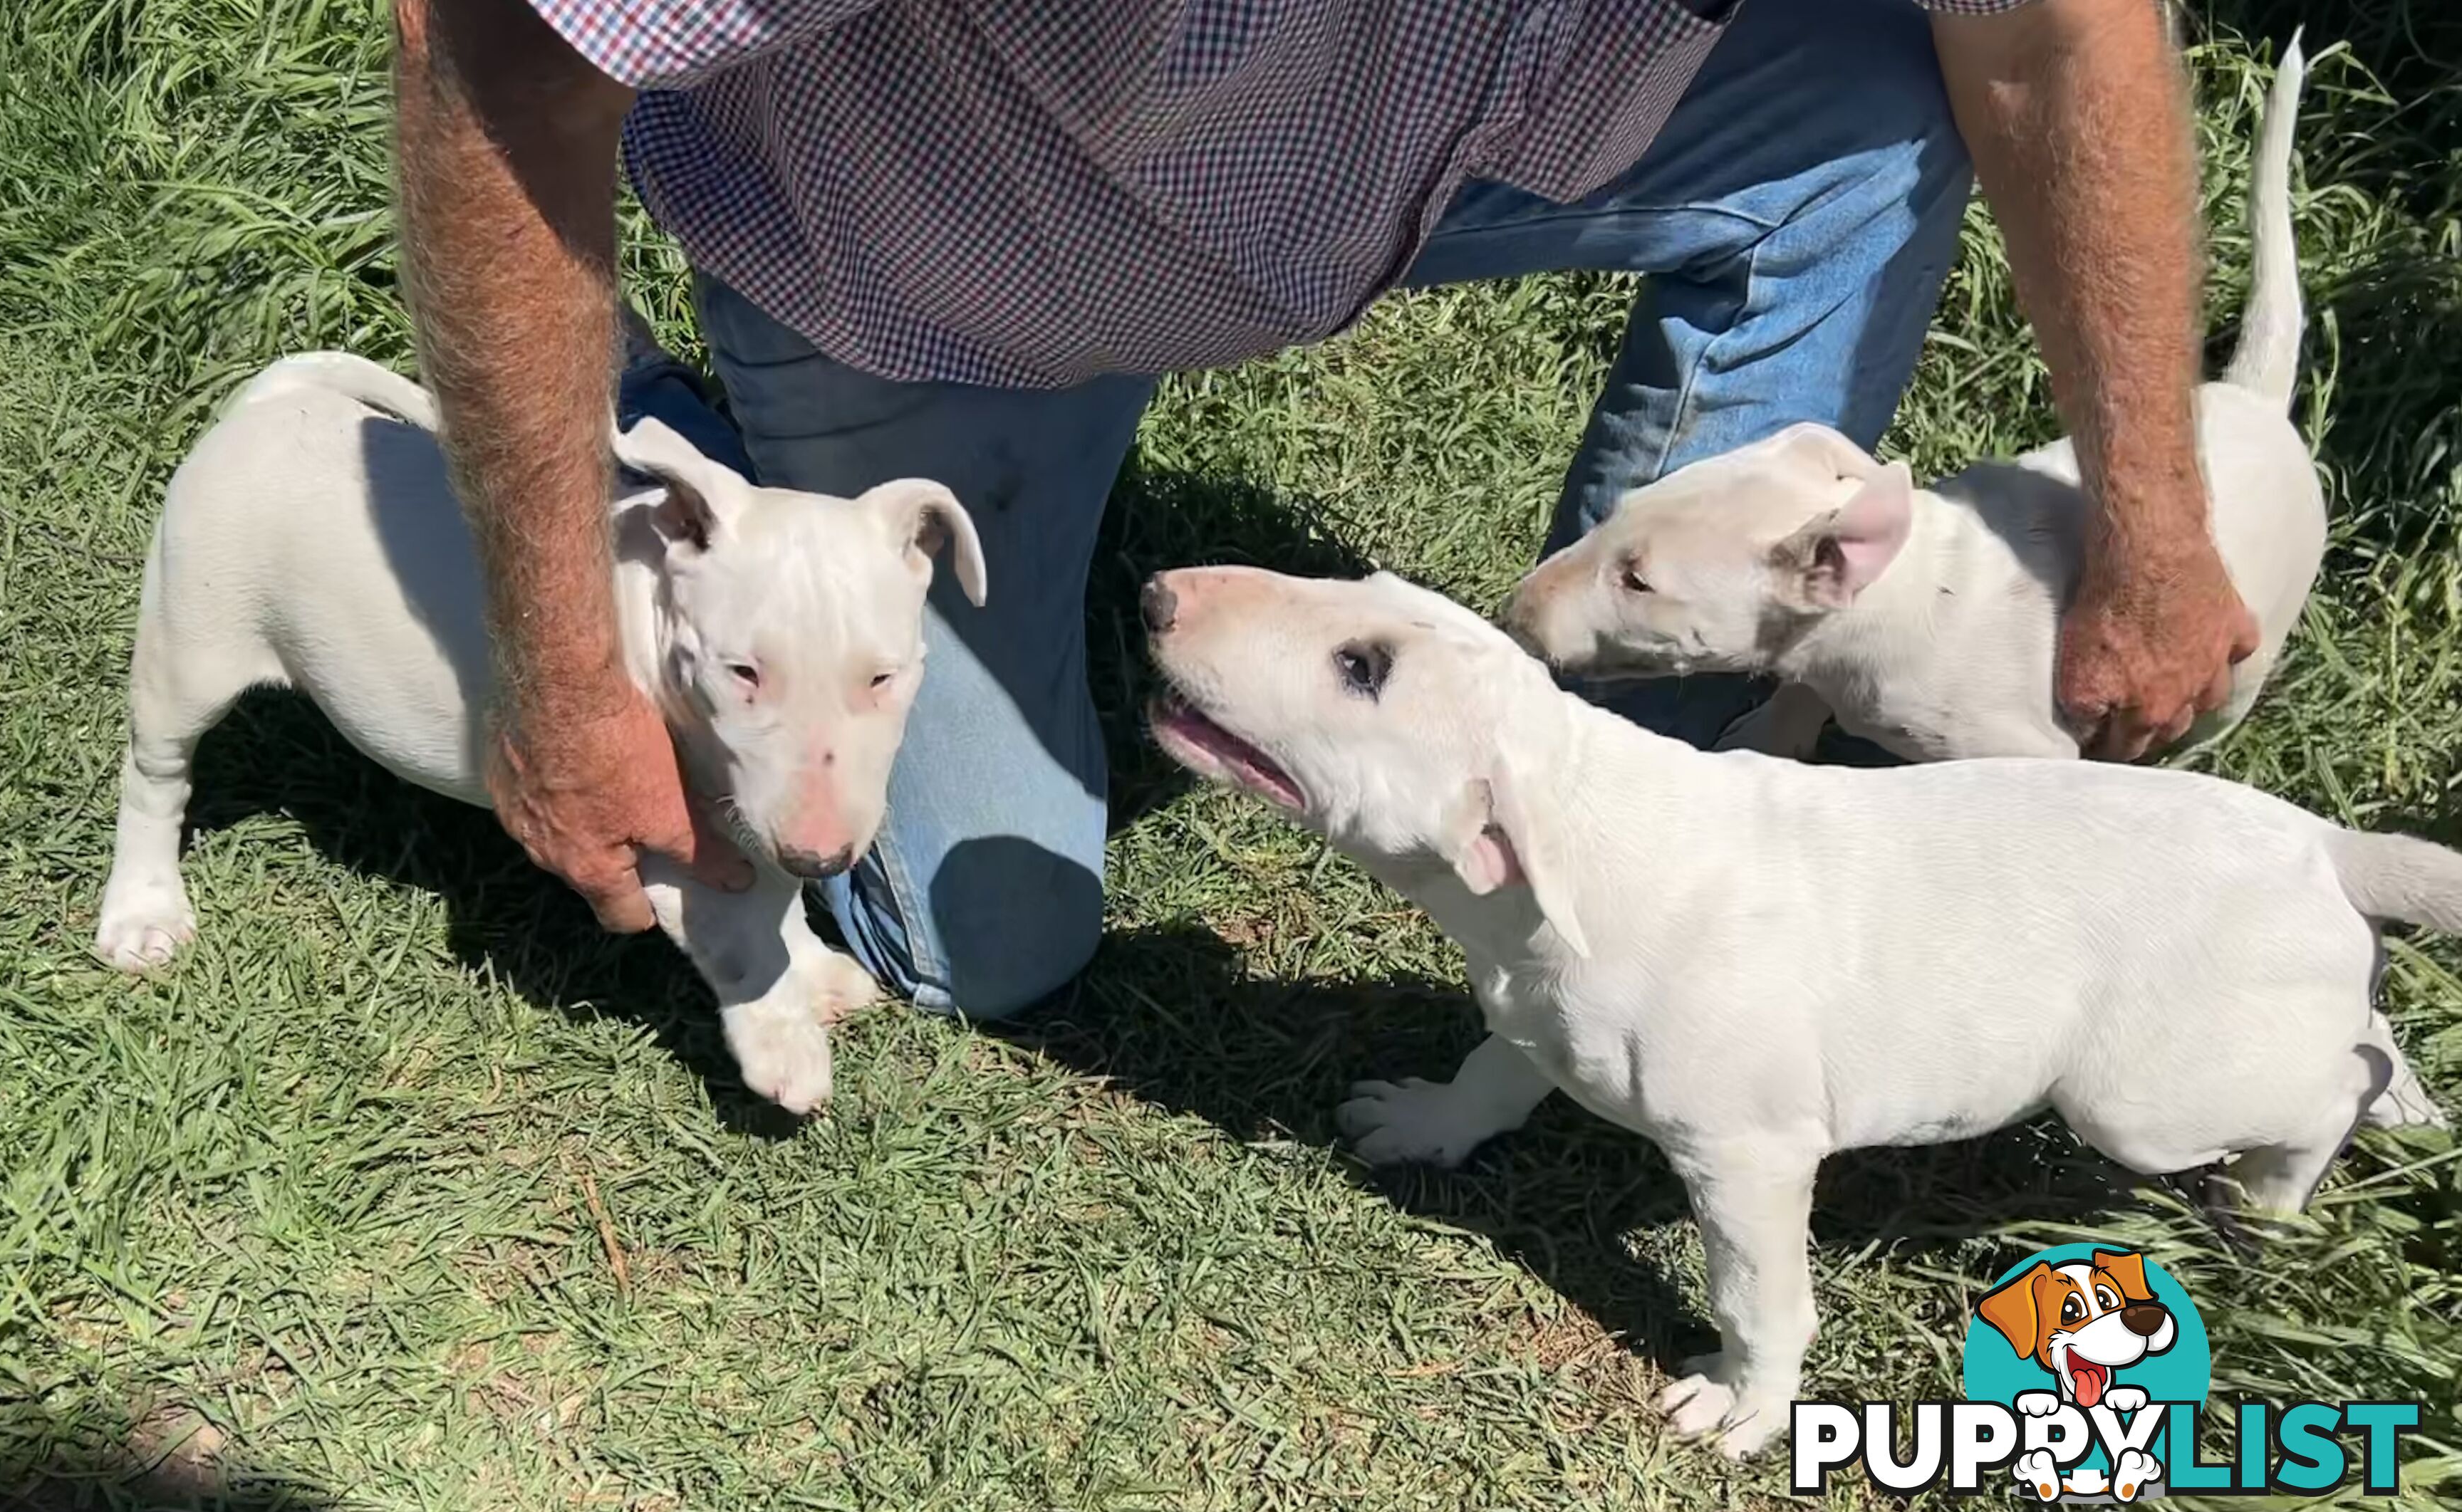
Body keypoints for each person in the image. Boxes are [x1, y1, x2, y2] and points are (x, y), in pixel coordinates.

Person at [391, 0, 2259, 1020]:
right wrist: (561, 657)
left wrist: (2151, 526)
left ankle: (1637, 777)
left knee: (1868, 107)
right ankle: (638, 450)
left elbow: (2042, 29)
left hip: (1416, 144)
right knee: (982, 945)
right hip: (932, 275)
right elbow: (494, 52)